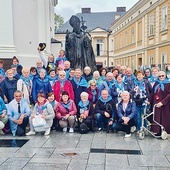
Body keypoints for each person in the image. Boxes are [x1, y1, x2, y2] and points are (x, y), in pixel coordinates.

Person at [149, 71, 170, 135]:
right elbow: (152, 93)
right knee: (156, 117)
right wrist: (149, 100)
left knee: (164, 118)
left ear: (165, 76)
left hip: (165, 104)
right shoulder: (156, 83)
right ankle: (157, 131)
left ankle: (164, 131)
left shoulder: (168, 83)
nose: (161, 77)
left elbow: (169, 94)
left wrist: (163, 102)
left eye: (162, 76)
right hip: (156, 103)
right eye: (159, 76)